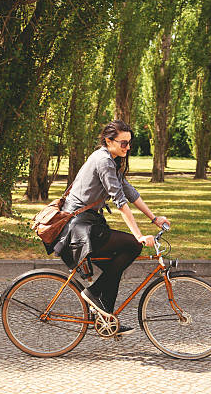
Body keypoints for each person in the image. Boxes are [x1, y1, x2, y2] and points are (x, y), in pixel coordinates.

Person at [44, 119, 171, 336]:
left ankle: (107, 318)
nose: (128, 148)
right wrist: (139, 236)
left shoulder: (110, 160)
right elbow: (120, 201)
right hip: (78, 226)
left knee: (117, 264)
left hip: (89, 222)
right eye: (123, 143)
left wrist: (154, 218)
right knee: (131, 246)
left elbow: (128, 191)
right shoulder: (103, 160)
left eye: (129, 143)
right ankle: (93, 293)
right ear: (108, 141)